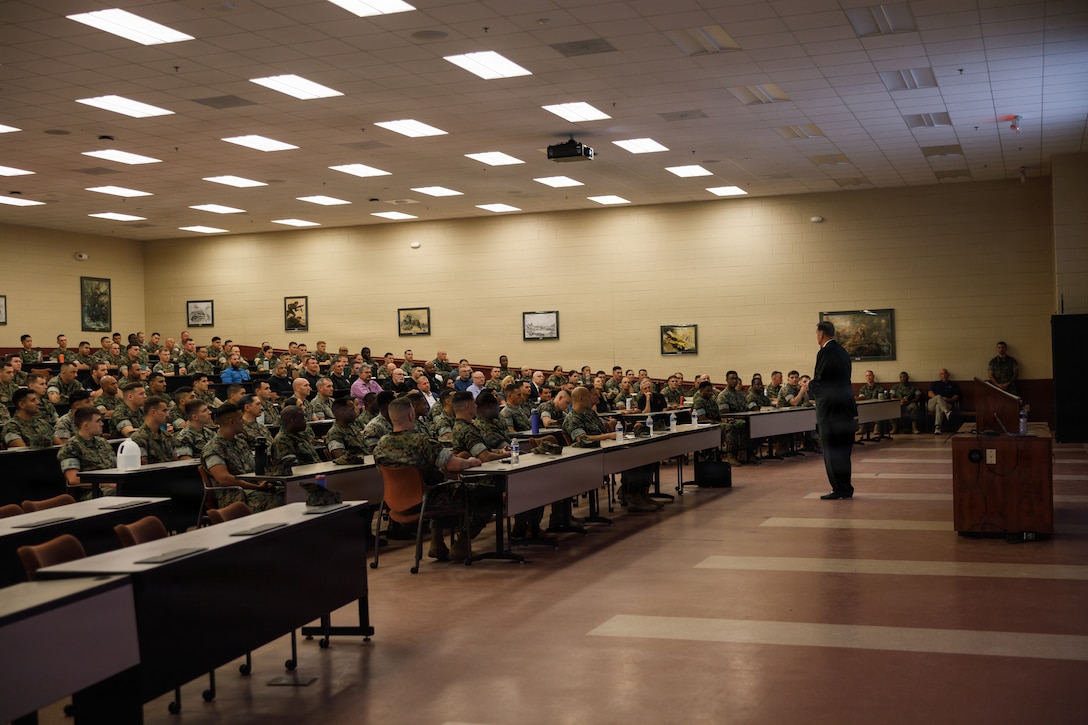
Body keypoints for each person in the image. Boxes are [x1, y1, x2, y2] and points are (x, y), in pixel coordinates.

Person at [373, 395, 485, 561]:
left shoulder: (380, 446)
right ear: (411, 415)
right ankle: (461, 544)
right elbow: (453, 465)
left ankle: (437, 542)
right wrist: (470, 462)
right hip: (427, 499)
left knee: (436, 485)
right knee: (485, 494)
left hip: (395, 502)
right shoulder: (422, 441)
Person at [201, 403, 283, 511]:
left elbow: (252, 469)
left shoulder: (240, 442)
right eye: (240, 418)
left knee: (286, 491)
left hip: (253, 488)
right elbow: (224, 479)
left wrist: (263, 482)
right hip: (233, 494)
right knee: (274, 500)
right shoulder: (213, 448)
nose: (243, 421)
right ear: (231, 422)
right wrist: (257, 487)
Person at [811, 321, 857, 500]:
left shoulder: (825, 352)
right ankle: (846, 486)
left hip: (830, 410)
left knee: (831, 451)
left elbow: (821, 382)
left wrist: (809, 385)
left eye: (816, 334)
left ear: (821, 334)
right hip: (845, 407)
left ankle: (839, 488)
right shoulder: (843, 352)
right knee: (844, 450)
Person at [57, 407, 117, 497]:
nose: (102, 424)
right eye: (98, 421)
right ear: (86, 425)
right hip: (91, 493)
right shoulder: (71, 447)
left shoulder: (103, 442)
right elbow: (73, 479)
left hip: (112, 485)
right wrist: (106, 484)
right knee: (119, 492)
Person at [129, 395, 177, 464]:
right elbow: (143, 464)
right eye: (164, 411)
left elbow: (176, 460)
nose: (167, 415)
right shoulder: (138, 438)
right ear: (153, 412)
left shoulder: (167, 436)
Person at [928, 368, 962, 434]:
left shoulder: (953, 385)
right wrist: (939, 399)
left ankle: (937, 428)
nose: (943, 375)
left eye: (945, 373)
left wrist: (948, 399)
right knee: (938, 397)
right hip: (932, 405)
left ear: (948, 375)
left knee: (938, 406)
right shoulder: (935, 383)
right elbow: (929, 393)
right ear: (939, 376)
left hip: (947, 404)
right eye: (942, 374)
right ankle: (947, 413)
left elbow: (956, 397)